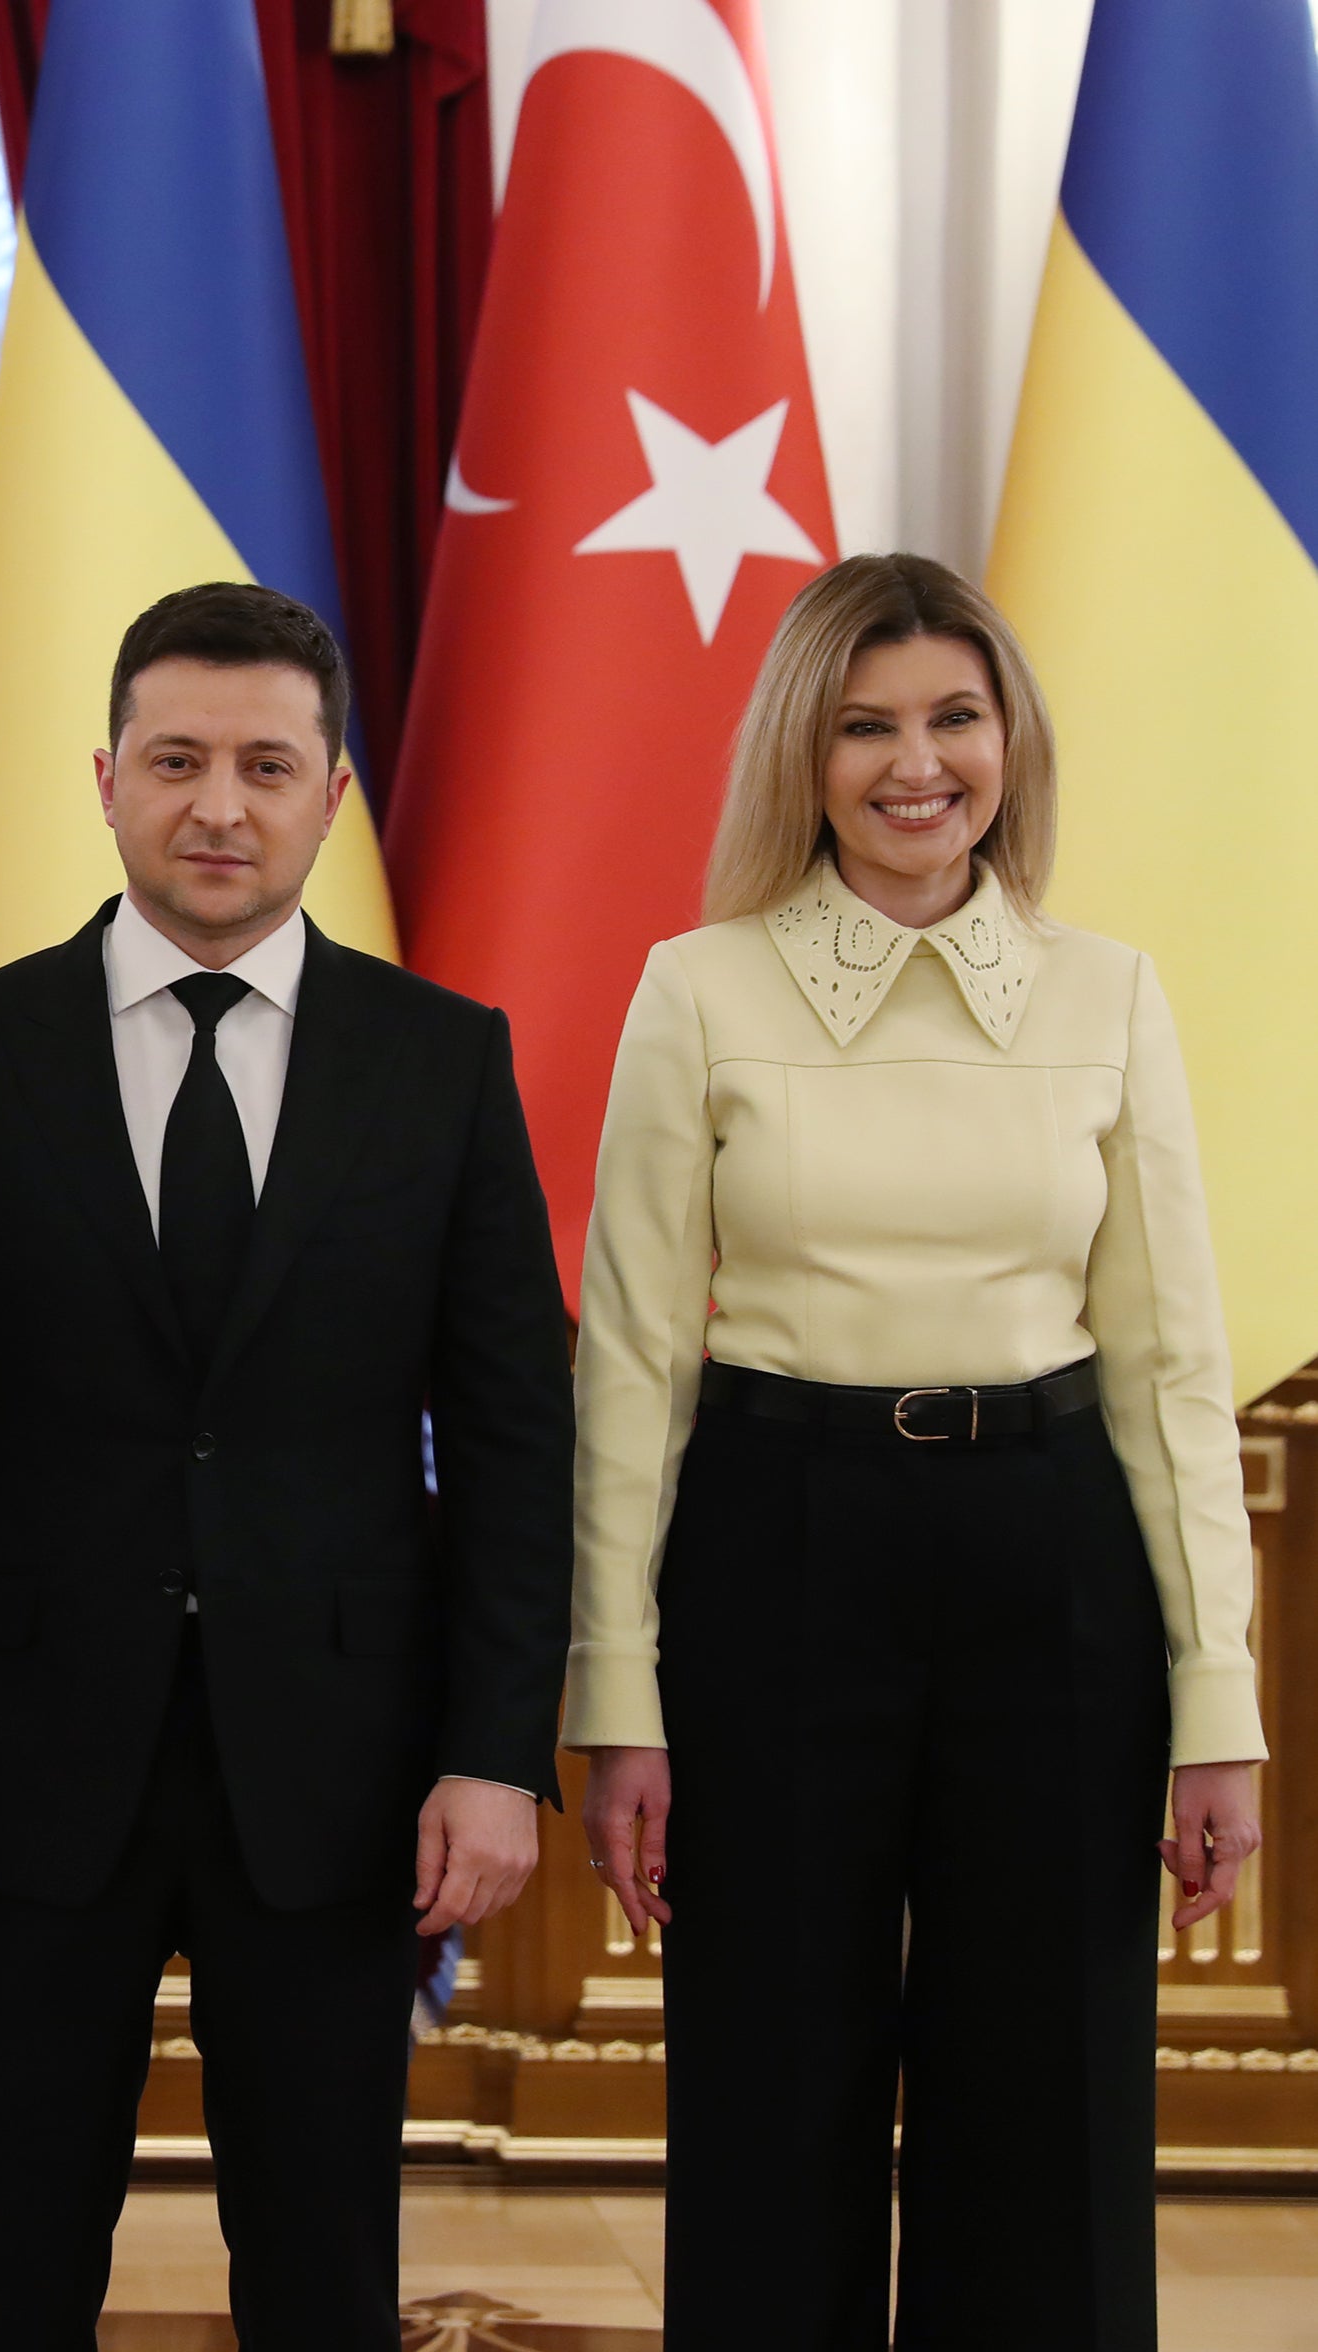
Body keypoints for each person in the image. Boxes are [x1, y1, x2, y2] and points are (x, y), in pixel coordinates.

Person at [0, 583, 573, 2347]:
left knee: (319, 2269)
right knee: (11, 2254)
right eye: (176, 761)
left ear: (328, 793)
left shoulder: (442, 1067)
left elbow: (520, 1438)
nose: (217, 805)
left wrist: (490, 1753)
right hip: (25, 1760)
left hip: (344, 1767)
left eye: (263, 765)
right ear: (105, 780)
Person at [569, 552, 1266, 2347]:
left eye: (955, 717)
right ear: (804, 752)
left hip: (1053, 1560)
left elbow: (1177, 1373)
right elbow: (634, 1364)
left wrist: (1218, 1707)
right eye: (866, 724)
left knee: (1055, 2103)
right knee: (768, 2095)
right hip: (776, 1551)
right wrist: (616, 1693)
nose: (915, 764)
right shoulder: (697, 990)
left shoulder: (1112, 995)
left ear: (1011, 743)